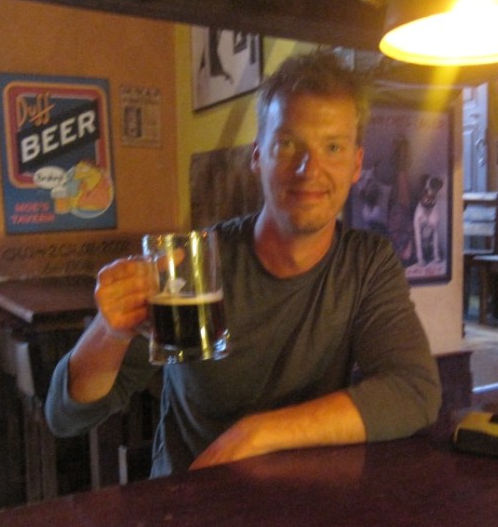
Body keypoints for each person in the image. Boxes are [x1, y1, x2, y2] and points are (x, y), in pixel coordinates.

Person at [45, 51, 442, 476]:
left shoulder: (366, 262)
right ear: (257, 156)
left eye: (333, 147)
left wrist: (258, 434)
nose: (310, 169)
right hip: (192, 498)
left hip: (304, 499)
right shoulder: (194, 264)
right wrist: (110, 330)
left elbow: (414, 391)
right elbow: (68, 417)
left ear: (356, 165)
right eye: (288, 144)